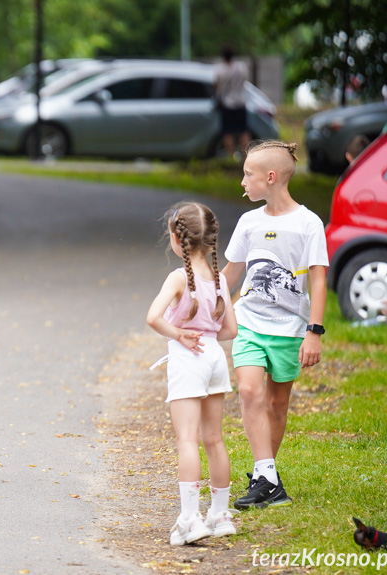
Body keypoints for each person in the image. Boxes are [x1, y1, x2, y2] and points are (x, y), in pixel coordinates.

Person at [221, 140, 328, 509]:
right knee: (250, 392)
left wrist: (314, 332)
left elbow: (317, 280)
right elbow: (230, 274)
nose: (243, 182)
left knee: (277, 403)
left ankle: (265, 477)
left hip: (290, 330)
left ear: (270, 177)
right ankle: (267, 476)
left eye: (248, 175)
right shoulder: (249, 222)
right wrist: (201, 299)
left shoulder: (308, 224)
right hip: (249, 322)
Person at [147, 201, 238, 546]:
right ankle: (220, 514)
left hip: (189, 359)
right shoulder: (218, 280)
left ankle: (189, 519)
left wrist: (180, 333)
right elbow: (230, 329)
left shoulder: (177, 278)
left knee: (188, 440)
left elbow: (153, 317)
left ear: (176, 237)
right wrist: (207, 332)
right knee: (214, 439)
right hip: (214, 358)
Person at [213, 46, 250, 159]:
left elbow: (216, 86)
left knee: (228, 132)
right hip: (241, 103)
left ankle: (230, 156)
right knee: (243, 131)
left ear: (223, 56)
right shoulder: (242, 67)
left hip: (227, 105)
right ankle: (246, 156)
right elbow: (246, 81)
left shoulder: (220, 70)